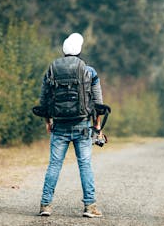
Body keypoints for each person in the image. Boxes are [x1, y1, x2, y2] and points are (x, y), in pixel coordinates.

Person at [38, 32, 104, 218]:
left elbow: (44, 101)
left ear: (64, 51)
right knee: (85, 165)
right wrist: (97, 126)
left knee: (54, 165)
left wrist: (48, 121)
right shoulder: (89, 71)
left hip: (59, 126)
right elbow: (98, 102)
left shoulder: (51, 70)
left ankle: (45, 205)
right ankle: (89, 207)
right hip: (82, 125)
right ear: (80, 50)